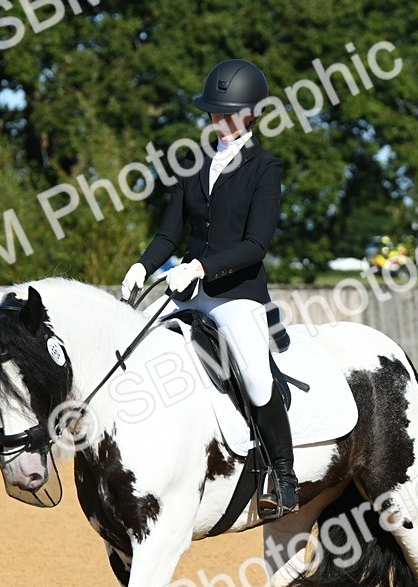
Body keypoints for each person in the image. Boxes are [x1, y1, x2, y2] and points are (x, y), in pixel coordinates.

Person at [120, 58, 297, 518]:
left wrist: (199, 266)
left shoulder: (265, 168)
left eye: (229, 113)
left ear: (251, 114)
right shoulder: (193, 164)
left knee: (256, 377)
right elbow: (168, 235)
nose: (219, 119)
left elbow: (256, 245)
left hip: (236, 294)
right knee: (132, 345)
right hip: (187, 291)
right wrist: (142, 266)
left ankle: (283, 475)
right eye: (215, 111)